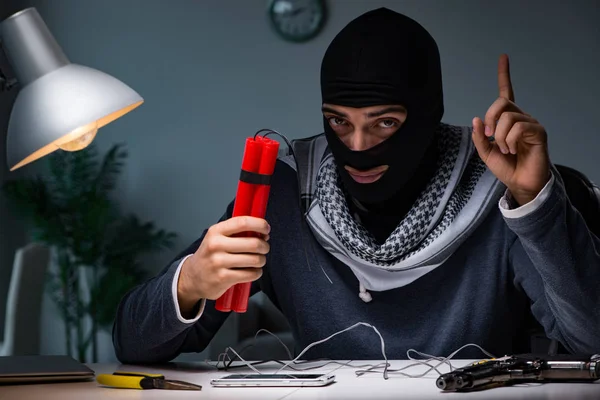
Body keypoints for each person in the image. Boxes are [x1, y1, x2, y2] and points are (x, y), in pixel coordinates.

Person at [112, 7, 600, 364]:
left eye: (385, 123)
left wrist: (535, 203)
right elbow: (132, 343)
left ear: (427, 116)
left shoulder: (498, 184)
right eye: (338, 122)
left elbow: (592, 343)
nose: (359, 147)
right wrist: (193, 282)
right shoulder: (285, 189)